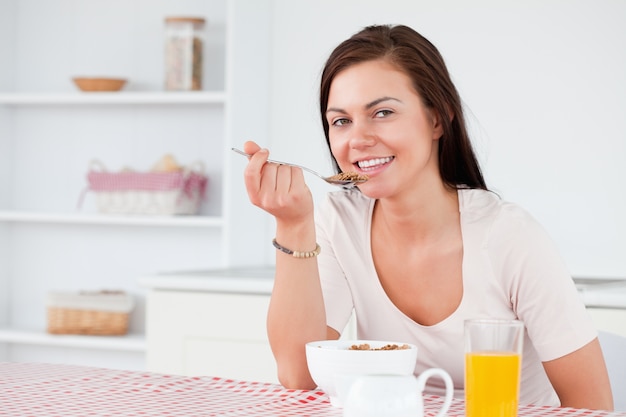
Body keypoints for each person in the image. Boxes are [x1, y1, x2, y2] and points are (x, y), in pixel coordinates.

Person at [239, 24, 613, 409]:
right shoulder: (340, 221)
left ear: (438, 119)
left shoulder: (508, 236)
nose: (358, 139)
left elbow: (594, 405)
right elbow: (298, 374)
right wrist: (293, 225)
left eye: (382, 112)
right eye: (341, 121)